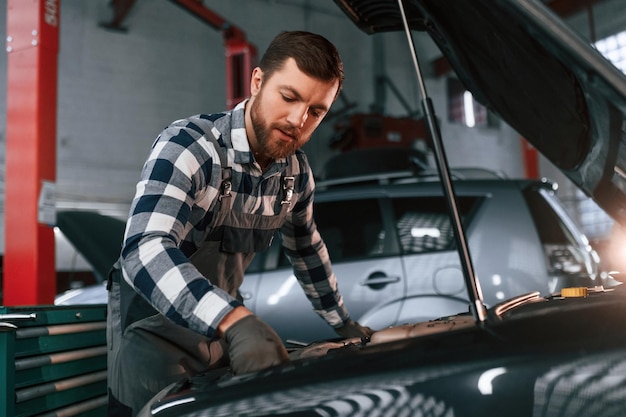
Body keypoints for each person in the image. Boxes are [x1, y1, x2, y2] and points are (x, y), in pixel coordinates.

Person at [106, 30, 374, 417]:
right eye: (289, 97)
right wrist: (234, 320)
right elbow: (144, 249)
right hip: (151, 342)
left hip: (219, 342)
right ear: (258, 82)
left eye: (316, 111)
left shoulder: (294, 175)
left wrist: (341, 322)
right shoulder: (190, 147)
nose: (299, 120)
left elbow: (306, 248)